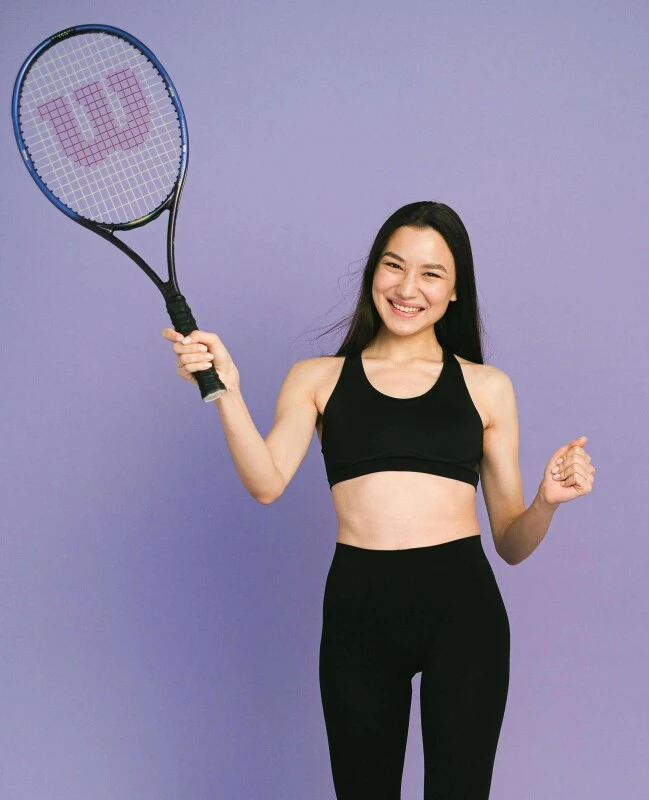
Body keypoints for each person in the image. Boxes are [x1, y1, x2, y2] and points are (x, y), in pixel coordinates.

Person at [162, 200, 595, 799]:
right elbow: (265, 483)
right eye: (393, 266)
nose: (407, 287)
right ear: (373, 273)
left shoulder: (487, 387)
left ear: (454, 291)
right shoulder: (317, 378)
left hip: (462, 615)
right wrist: (228, 392)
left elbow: (511, 544)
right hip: (358, 613)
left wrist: (546, 501)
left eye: (430, 273)